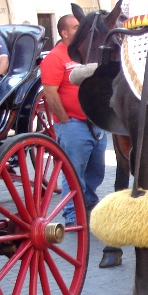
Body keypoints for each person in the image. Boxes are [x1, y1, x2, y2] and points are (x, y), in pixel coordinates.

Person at [40, 13, 107, 227]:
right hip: (74, 124)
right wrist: (65, 120)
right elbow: (50, 93)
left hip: (95, 122)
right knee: (73, 172)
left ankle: (88, 206)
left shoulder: (84, 54)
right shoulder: (55, 57)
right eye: (76, 27)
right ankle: (71, 216)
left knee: (96, 171)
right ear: (64, 32)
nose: (81, 30)